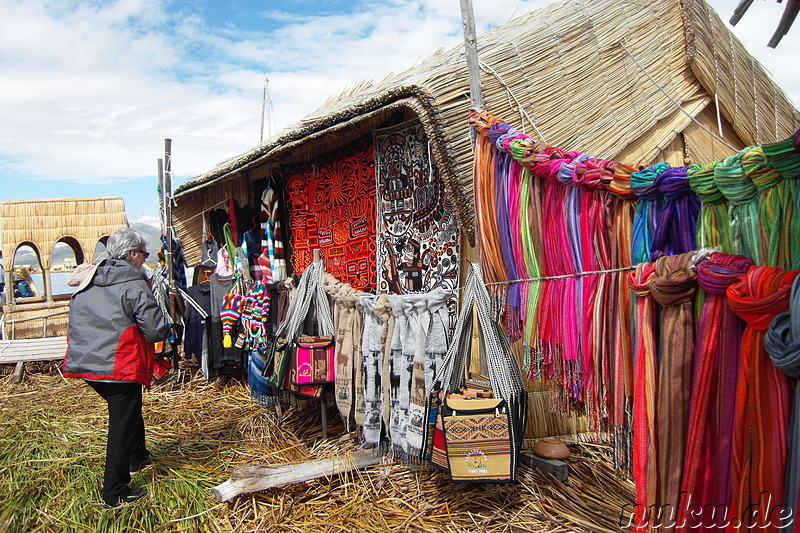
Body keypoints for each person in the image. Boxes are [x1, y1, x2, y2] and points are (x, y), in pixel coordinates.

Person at [63, 227, 171, 507]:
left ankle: (138, 457)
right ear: (133, 254)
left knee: (129, 410)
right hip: (118, 365)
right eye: (145, 254)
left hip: (87, 363)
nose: (145, 260)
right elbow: (156, 330)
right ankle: (115, 491)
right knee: (121, 423)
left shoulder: (90, 279)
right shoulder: (133, 284)